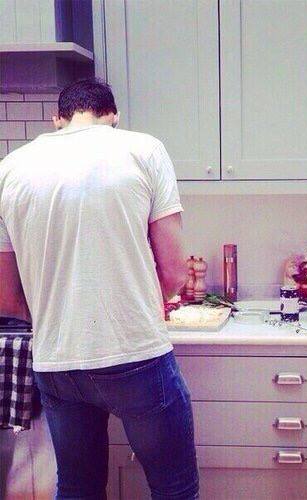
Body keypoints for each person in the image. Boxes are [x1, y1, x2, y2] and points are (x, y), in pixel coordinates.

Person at [0, 79, 199, 499]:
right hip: (134, 353)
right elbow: (176, 273)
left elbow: (6, 295)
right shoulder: (143, 149)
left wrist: (57, 315)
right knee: (174, 488)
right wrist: (140, 303)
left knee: (79, 488)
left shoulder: (10, 168)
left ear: (57, 120)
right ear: (114, 117)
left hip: (57, 362)